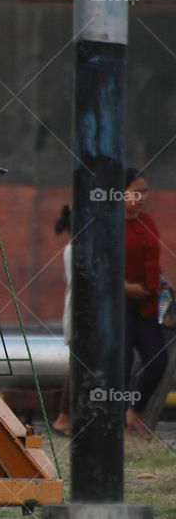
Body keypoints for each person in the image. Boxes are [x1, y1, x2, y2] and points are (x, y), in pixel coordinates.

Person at [122, 168, 167, 439]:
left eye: (145, 192)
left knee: (158, 360)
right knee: (121, 364)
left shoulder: (147, 221)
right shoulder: (109, 224)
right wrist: (124, 286)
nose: (141, 198)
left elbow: (153, 260)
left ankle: (134, 412)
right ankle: (117, 422)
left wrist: (161, 284)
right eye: (135, 192)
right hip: (120, 305)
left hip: (147, 304)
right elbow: (98, 265)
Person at [51, 205, 73, 437]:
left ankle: (66, 418)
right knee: (78, 367)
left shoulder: (73, 248)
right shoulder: (75, 250)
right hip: (79, 319)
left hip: (79, 317)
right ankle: (63, 418)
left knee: (79, 367)